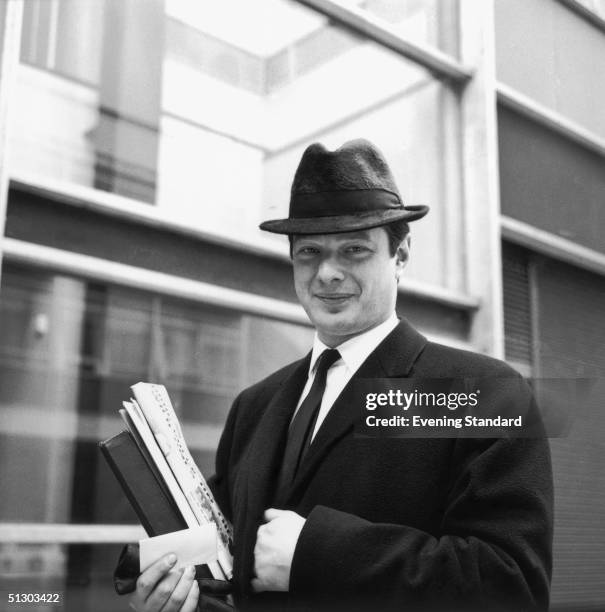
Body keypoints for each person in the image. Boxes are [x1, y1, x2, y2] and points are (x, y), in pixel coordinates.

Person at [120, 139, 553, 612]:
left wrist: (318, 554)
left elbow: (511, 585)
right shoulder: (254, 406)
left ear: (401, 255)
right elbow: (233, 572)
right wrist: (174, 592)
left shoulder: (478, 394)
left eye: (353, 250)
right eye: (309, 252)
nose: (327, 272)